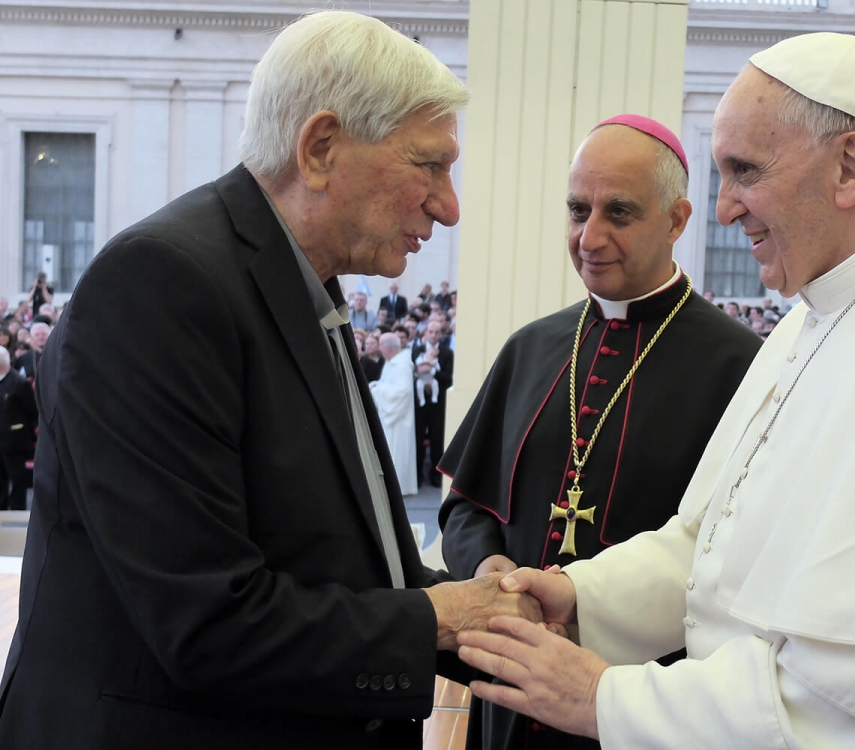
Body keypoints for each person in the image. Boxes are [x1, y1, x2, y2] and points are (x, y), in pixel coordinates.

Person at [453, 31, 855, 749]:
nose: (725, 208)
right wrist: (583, 595)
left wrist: (605, 697)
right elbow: (712, 546)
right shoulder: (819, 313)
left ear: (850, 166)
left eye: (744, 171)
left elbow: (837, 705)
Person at [0, 12, 544, 749]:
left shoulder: (298, 286)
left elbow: (326, 556)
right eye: (430, 165)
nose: (448, 207)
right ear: (320, 148)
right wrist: (442, 616)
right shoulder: (164, 286)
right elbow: (207, 620)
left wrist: (475, 605)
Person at [438, 114, 762, 750]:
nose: (590, 236)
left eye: (618, 212)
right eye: (577, 209)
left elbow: (731, 563)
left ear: (675, 220)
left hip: (645, 705)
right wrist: (491, 571)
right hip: (512, 690)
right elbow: (465, 510)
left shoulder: (740, 368)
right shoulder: (531, 349)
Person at [369, 332, 418, 496]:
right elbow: (387, 385)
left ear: (389, 347)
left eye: (381, 345)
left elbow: (402, 392)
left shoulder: (402, 365)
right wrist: (377, 386)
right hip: (390, 417)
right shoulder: (391, 363)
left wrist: (378, 391)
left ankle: (397, 488)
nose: (379, 348)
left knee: (396, 453)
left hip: (398, 419)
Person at [412, 321, 452, 487]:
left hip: (437, 403)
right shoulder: (416, 351)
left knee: (437, 439)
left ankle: (436, 475)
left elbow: (448, 378)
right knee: (418, 437)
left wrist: (433, 372)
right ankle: (417, 475)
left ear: (441, 334)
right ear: (426, 333)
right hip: (420, 403)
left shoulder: (447, 353)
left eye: (437, 332)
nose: (434, 335)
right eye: (431, 331)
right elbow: (411, 374)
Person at [0, 348, 34, 511]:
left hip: (15, 442)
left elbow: (32, 411)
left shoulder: (19, 382)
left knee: (18, 481)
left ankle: (17, 512)